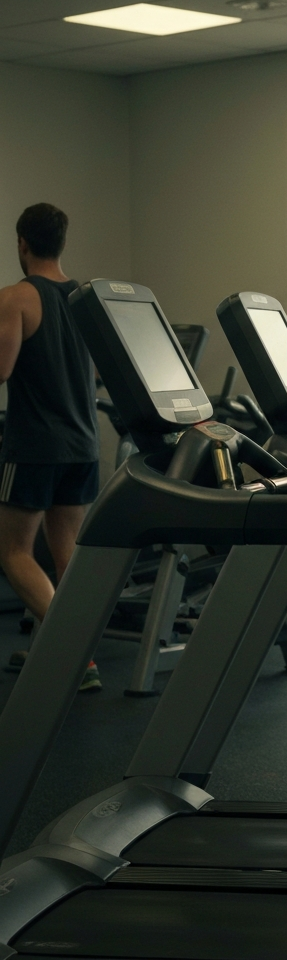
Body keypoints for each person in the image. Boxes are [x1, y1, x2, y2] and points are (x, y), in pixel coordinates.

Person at [0, 203, 101, 691]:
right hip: (83, 443)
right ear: (60, 243)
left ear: (23, 243)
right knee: (68, 554)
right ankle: (73, 656)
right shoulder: (86, 298)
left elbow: (1, 368)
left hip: (35, 446)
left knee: (13, 551)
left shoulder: (16, 297)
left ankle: (72, 651)